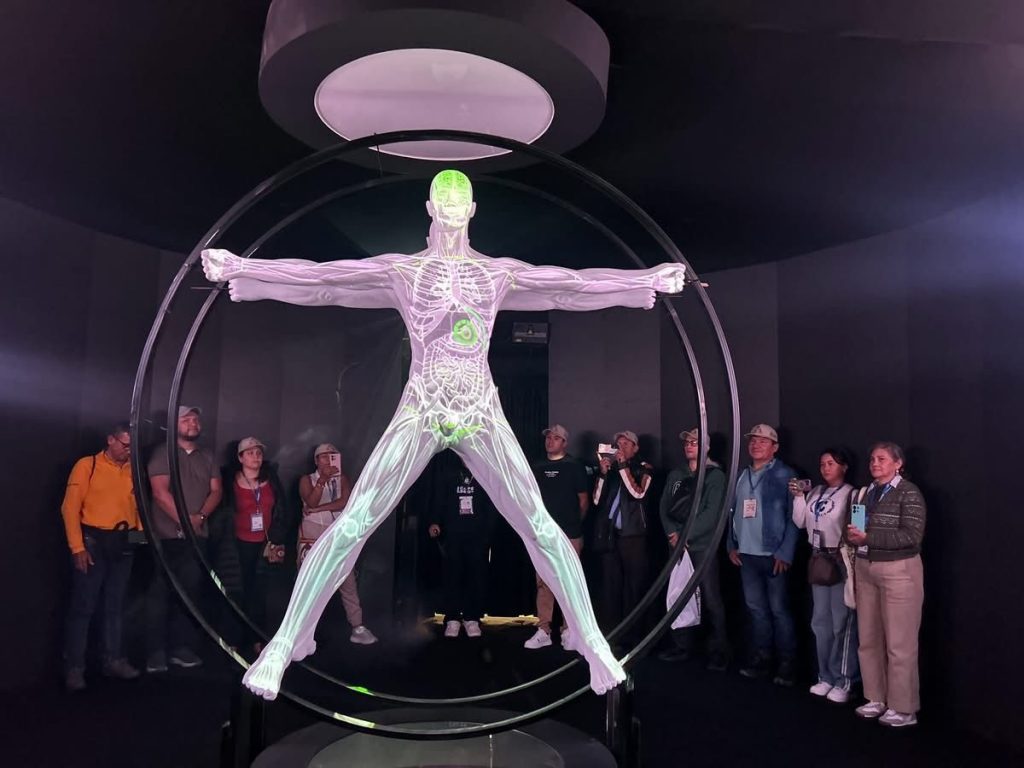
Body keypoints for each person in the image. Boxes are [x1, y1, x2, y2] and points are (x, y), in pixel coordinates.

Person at [201, 168, 686, 698]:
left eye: (461, 200)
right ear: (431, 209)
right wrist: (245, 273)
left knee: (540, 526)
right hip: (423, 404)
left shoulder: (496, 273)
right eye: (444, 200)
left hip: (479, 407)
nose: (453, 208)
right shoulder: (404, 270)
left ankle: (591, 642)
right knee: (355, 519)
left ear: (472, 210)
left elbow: (567, 286)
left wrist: (644, 284)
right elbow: (326, 281)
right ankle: (286, 641)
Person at [846, 442, 926, 728]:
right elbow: (856, 529)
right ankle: (875, 698)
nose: (874, 463)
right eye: (872, 459)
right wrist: (853, 536)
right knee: (868, 639)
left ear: (898, 463)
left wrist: (869, 538)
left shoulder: (909, 492)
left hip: (898, 571)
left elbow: (912, 536)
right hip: (866, 568)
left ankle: (903, 708)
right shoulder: (866, 492)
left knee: (899, 643)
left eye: (881, 459)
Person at [60, 422, 142, 691]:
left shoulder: (134, 469)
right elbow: (70, 508)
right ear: (111, 440)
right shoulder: (88, 465)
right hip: (93, 543)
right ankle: (75, 667)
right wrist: (77, 547)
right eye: (125, 444)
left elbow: (139, 508)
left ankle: (113, 659)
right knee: (83, 607)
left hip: (123, 542)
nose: (128, 450)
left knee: (115, 606)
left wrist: (139, 540)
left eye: (132, 446)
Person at [146, 405, 223, 672]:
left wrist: (199, 518)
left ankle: (181, 648)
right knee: (158, 595)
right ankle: (155, 652)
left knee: (189, 594)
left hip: (196, 538)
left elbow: (216, 491)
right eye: (186, 419)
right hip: (166, 538)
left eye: (196, 420)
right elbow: (159, 492)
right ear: (173, 424)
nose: (193, 423)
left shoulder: (208, 456)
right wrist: (184, 520)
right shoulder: (162, 453)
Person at [727, 423, 799, 686]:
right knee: (756, 610)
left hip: (773, 554)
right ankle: (762, 660)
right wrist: (730, 544)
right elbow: (732, 512)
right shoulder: (741, 475)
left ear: (775, 447)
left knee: (779, 610)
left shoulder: (785, 474)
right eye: (753, 441)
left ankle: (787, 665)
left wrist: (786, 552)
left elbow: (794, 517)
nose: (756, 445)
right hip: (746, 554)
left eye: (763, 441)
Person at [658, 428, 730, 671]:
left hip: (701, 546)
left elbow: (712, 513)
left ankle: (718, 650)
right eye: (687, 442)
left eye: (695, 442)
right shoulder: (676, 474)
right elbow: (664, 506)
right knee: (678, 595)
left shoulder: (715, 476)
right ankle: (681, 645)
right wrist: (672, 533)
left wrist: (686, 536)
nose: (689, 445)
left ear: (706, 447)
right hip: (677, 546)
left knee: (711, 597)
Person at [790, 447, 858, 702]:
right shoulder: (816, 491)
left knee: (842, 622)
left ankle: (844, 680)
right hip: (818, 558)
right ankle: (825, 676)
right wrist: (799, 497)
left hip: (840, 560)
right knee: (820, 622)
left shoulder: (853, 494)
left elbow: (858, 528)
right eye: (822, 464)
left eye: (831, 463)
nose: (826, 468)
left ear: (844, 466)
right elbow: (800, 522)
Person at [298, 443, 377, 645]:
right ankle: (300, 631)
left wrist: (317, 509)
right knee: (309, 580)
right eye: (324, 456)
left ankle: (357, 626)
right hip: (312, 533)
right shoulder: (307, 479)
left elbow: (344, 503)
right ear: (316, 461)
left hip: (337, 532)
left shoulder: (342, 479)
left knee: (347, 579)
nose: (328, 459)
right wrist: (322, 481)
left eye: (332, 455)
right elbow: (311, 501)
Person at [222, 437, 293, 654]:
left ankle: (257, 638)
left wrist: (277, 536)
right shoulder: (230, 481)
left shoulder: (271, 479)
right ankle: (234, 637)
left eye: (259, 453)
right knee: (237, 590)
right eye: (250, 453)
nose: (256, 457)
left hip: (265, 544)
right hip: (238, 544)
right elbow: (224, 512)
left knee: (260, 591)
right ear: (240, 457)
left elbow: (281, 508)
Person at [525, 424, 590, 651]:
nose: (550, 441)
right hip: (544, 534)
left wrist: (573, 525)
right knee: (544, 581)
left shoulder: (574, 467)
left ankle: (569, 629)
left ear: (564, 443)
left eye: (555, 438)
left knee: (569, 581)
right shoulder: (537, 467)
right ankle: (543, 630)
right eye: (548, 437)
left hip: (569, 534)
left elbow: (583, 500)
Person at [592, 430, 653, 640]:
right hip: (611, 536)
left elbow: (638, 493)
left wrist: (623, 466)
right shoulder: (612, 471)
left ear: (636, 448)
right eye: (619, 444)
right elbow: (596, 500)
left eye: (626, 444)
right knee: (611, 586)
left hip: (633, 537)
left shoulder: (644, 468)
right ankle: (612, 635)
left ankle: (634, 635)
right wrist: (602, 473)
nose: (621, 447)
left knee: (634, 587)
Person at [428, 457, 495, 638]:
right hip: (453, 535)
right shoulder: (449, 474)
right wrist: (434, 521)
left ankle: (472, 618)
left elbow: (492, 505)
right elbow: (439, 499)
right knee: (452, 576)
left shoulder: (484, 476)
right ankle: (452, 619)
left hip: (477, 536)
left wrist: (488, 532)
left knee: (476, 577)